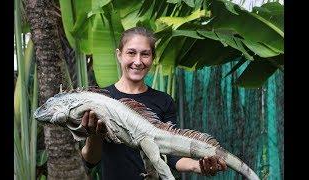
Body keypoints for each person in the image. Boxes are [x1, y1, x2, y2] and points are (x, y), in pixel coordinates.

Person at [80, 27, 227, 179]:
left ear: (152, 58)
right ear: (119, 55)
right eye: (131, 53)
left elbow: (172, 156)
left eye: (145, 54)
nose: (138, 61)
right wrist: (94, 136)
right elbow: (90, 161)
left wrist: (198, 166)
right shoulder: (101, 99)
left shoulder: (164, 101)